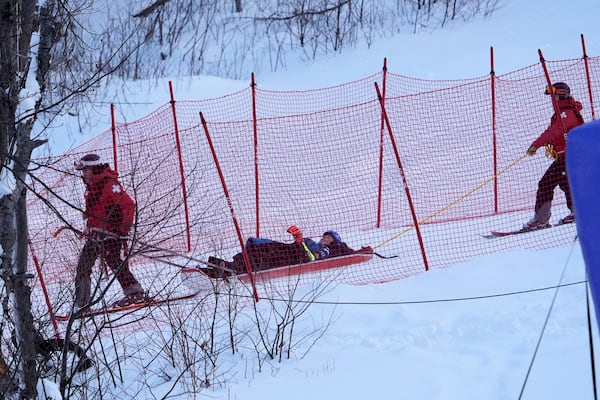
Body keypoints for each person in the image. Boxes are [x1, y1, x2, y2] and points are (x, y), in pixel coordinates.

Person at [73, 153, 146, 309]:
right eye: (83, 171)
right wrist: (89, 228)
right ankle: (81, 304)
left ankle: (135, 293)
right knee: (83, 266)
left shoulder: (109, 185)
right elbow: (96, 212)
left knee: (113, 260)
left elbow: (129, 206)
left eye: (86, 170)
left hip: (112, 234)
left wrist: (123, 230)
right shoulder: (90, 189)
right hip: (95, 234)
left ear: (94, 169)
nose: (84, 174)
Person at [523, 82, 584, 230]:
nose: (553, 99)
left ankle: (541, 219)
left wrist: (536, 145)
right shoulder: (563, 112)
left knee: (545, 183)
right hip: (567, 156)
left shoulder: (566, 113)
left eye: (554, 96)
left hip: (569, 156)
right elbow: (554, 132)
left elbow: (555, 131)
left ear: (561, 94)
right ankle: (578, 212)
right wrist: (543, 143)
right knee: (566, 183)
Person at [204, 226, 370, 278]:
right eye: (324, 236)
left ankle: (233, 269)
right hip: (292, 250)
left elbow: (311, 258)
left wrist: (299, 241)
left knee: (267, 255)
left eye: (329, 238)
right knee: (260, 248)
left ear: (335, 242)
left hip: (295, 258)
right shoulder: (315, 243)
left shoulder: (329, 250)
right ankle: (227, 265)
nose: (324, 239)